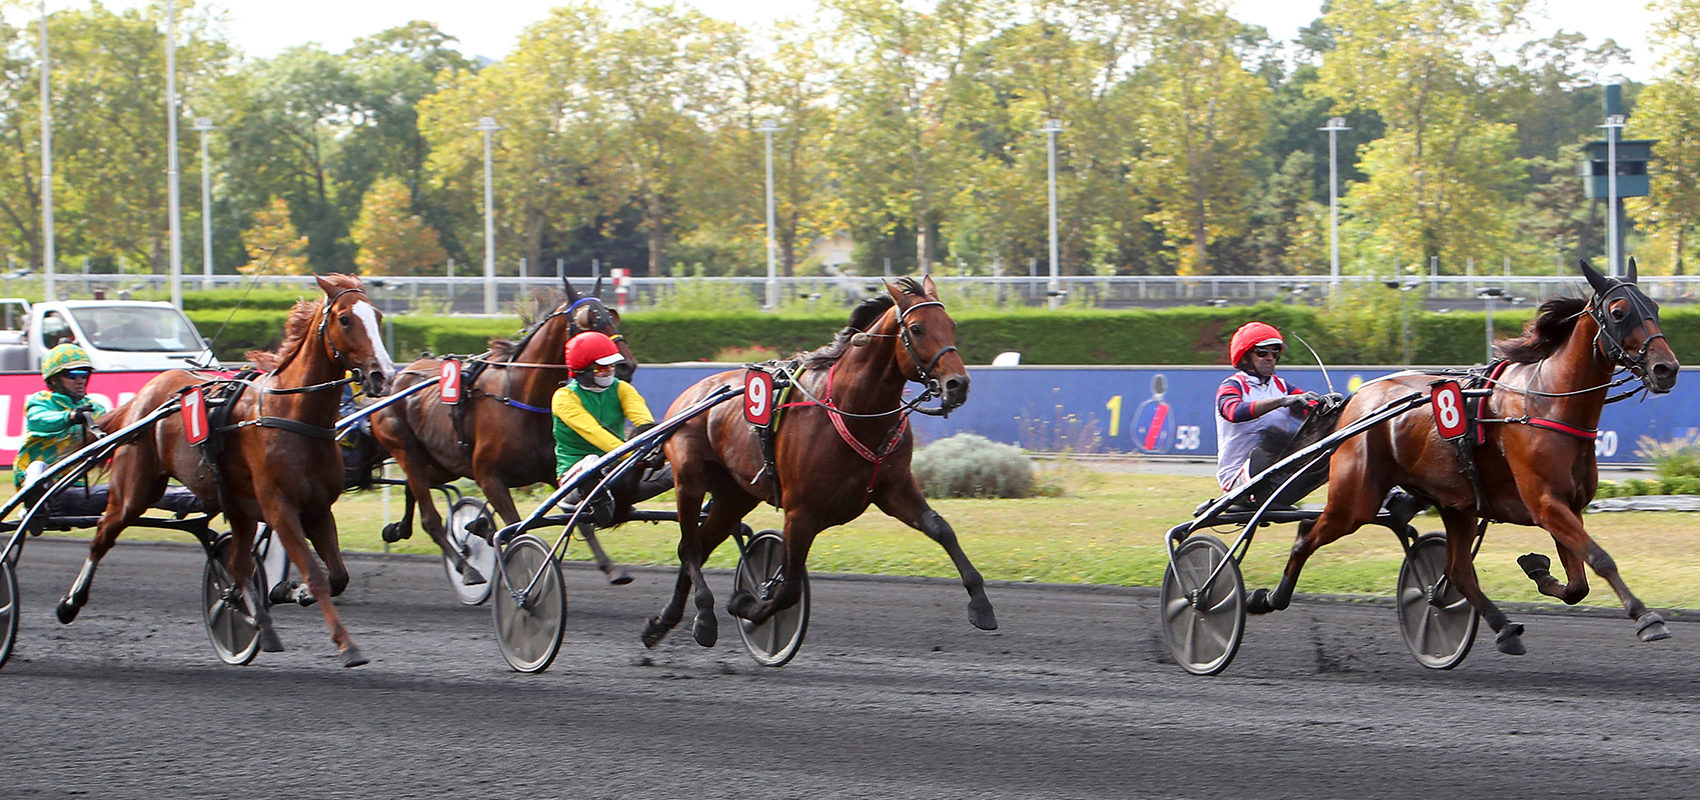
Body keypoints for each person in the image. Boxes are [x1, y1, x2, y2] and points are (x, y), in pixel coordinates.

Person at [14, 343, 200, 516]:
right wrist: (70, 417)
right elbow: (40, 420)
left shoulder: (95, 409)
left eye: (84, 374)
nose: (80, 380)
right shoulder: (40, 402)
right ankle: (35, 504)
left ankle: (194, 499)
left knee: (138, 486)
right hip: (46, 487)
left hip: (76, 489)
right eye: (72, 375)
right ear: (53, 380)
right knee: (38, 467)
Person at [551, 331, 655, 526]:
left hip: (617, 469)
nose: (609, 371)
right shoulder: (564, 397)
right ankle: (583, 498)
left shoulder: (622, 388)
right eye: (601, 367)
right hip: (576, 473)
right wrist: (634, 454)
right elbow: (594, 432)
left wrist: (655, 446)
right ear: (584, 370)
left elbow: (644, 422)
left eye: (612, 365)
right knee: (593, 462)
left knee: (680, 466)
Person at [1214, 321, 1318, 494]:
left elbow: (1312, 409)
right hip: (1237, 477)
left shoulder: (1282, 386)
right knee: (1260, 456)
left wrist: (1326, 405)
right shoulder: (1232, 385)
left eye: (1275, 352)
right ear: (1245, 357)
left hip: (1276, 473)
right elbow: (1233, 412)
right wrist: (1281, 402)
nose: (1270, 357)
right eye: (1262, 352)